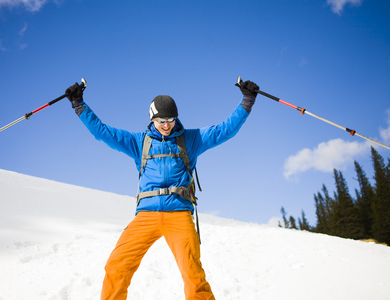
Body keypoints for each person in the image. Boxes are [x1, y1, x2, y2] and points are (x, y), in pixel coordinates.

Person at [65, 78, 259, 300]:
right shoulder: (139, 142)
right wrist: (79, 105)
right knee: (116, 265)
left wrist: (247, 100)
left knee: (193, 273)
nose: (166, 125)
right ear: (152, 119)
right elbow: (103, 133)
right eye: (160, 121)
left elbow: (225, 130)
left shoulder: (191, 139)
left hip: (179, 215)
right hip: (146, 215)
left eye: (170, 120)